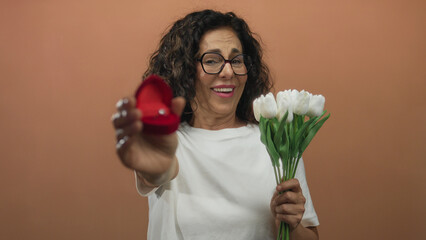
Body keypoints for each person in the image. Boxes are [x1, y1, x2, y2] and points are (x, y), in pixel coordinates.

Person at [112, 9, 319, 240]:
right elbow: (157, 171)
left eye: (237, 60)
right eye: (212, 60)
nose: (228, 71)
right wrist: (154, 167)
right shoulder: (170, 141)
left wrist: (291, 225)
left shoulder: (277, 143)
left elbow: (309, 236)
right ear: (185, 70)